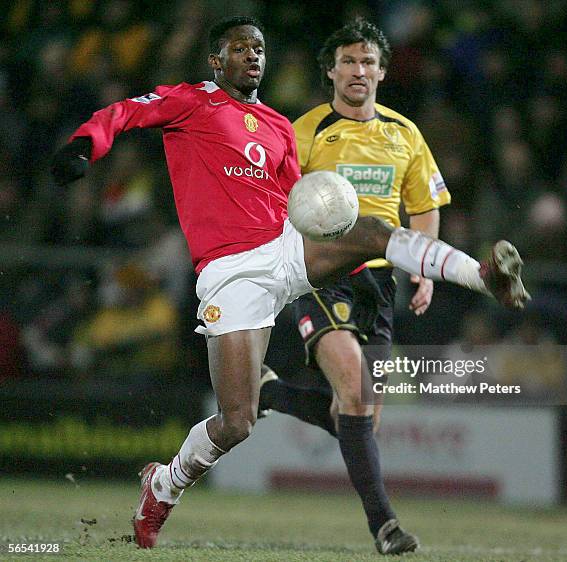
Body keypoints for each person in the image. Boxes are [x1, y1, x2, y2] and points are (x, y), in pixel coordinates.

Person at [50, 16, 529, 552]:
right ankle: (163, 485)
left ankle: (480, 275)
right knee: (236, 421)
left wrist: (330, 235)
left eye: (259, 48)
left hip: (284, 249)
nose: (253, 56)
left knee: (370, 231)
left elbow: (296, 202)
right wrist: (83, 145)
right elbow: (125, 113)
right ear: (216, 60)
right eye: (240, 48)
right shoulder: (191, 102)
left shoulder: (277, 125)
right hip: (231, 271)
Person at [258, 18, 445, 553]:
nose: (358, 70)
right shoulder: (305, 131)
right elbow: (275, 201)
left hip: (382, 286)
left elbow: (425, 207)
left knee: (356, 413)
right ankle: (385, 526)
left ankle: (272, 392)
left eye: (367, 62)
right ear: (331, 72)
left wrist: (423, 268)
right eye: (348, 61)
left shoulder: (405, 133)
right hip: (323, 275)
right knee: (358, 395)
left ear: (382, 72)